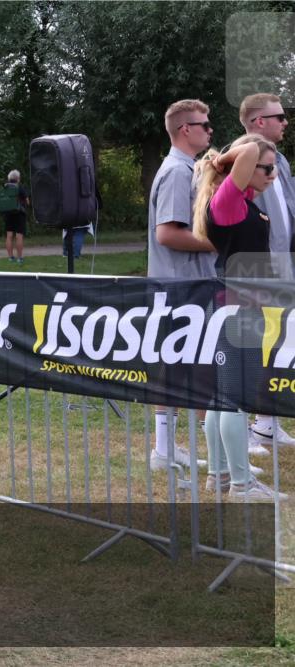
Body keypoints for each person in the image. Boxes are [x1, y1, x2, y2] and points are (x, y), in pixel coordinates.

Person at [192, 134, 288, 501]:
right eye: (266, 168)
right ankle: (242, 485)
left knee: (224, 397)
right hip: (235, 308)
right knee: (235, 398)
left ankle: (219, 476)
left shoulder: (244, 203)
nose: (272, 175)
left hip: (240, 305)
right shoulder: (229, 202)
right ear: (243, 168)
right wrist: (224, 160)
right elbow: (248, 150)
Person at [146, 99, 217, 473]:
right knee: (176, 365)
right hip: (180, 286)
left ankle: (171, 448)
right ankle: (164, 449)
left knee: (186, 364)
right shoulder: (176, 172)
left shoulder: (188, 168)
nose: (210, 130)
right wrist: (219, 242)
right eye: (204, 125)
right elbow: (167, 233)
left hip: (188, 284)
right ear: (185, 129)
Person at [238, 93, 295, 453]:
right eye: (279, 117)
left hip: (283, 264)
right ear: (259, 121)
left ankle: (267, 422)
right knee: (251, 343)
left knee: (277, 341)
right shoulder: (242, 157)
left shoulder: (281, 160)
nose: (285, 122)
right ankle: (245, 423)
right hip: (254, 265)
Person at [0, 170, 30, 263]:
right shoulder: (20, 187)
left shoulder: (5, 187)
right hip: (19, 214)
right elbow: (27, 201)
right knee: (19, 236)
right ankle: (19, 258)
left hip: (8, 214)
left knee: (9, 236)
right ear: (18, 178)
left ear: (9, 178)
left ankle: (10, 257)